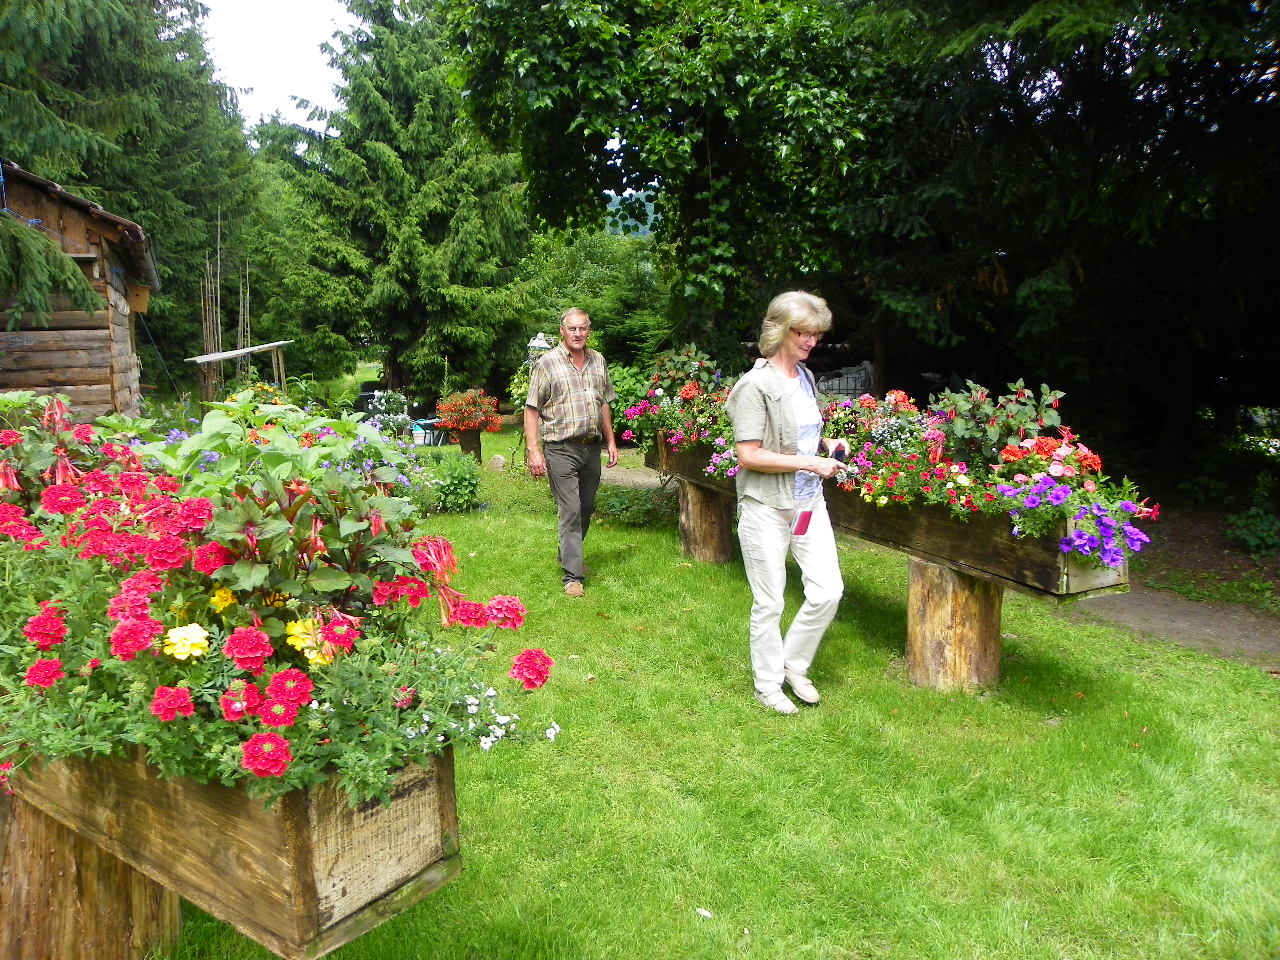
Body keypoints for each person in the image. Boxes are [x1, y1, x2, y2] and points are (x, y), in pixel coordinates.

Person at [724, 291, 850, 714]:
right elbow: (749, 455)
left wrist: (826, 444)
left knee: (828, 591)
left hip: (809, 505)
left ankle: (793, 665)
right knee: (770, 601)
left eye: (816, 334)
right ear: (779, 331)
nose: (811, 342)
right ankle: (767, 685)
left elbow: (800, 433)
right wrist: (812, 463)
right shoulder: (754, 385)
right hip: (766, 507)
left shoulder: (805, 377)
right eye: (802, 333)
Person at [525, 308, 619, 597]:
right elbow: (532, 409)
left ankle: (567, 553)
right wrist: (534, 451)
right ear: (562, 331)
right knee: (571, 510)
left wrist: (611, 440)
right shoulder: (547, 363)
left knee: (586, 507)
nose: (577, 334)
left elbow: (604, 402)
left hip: (591, 448)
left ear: (589, 330)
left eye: (582, 328)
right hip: (561, 448)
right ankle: (572, 577)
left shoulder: (598, 360)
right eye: (572, 328)